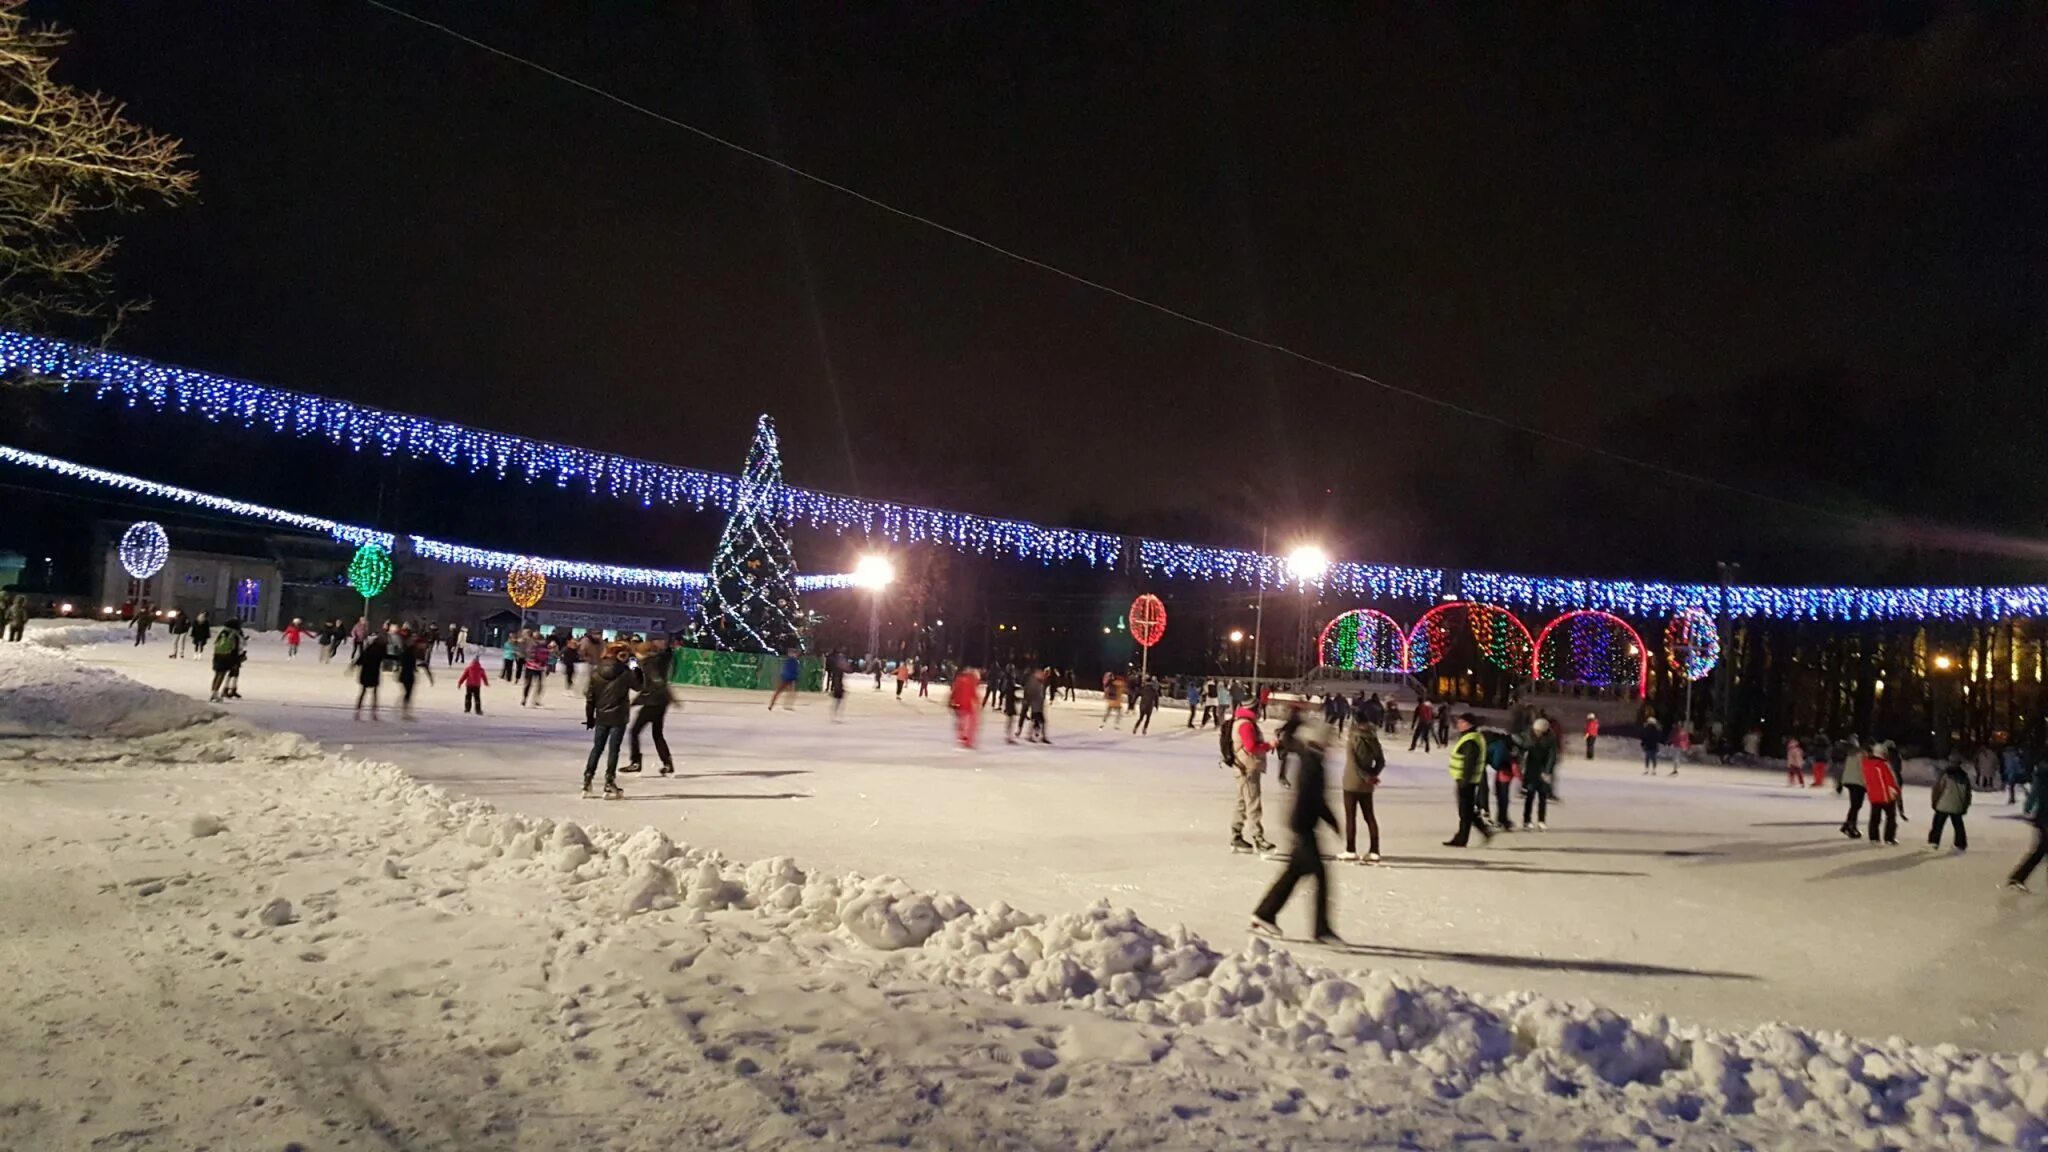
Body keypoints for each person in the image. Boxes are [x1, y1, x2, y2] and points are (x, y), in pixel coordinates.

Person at [1251, 716, 1341, 944]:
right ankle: (1321, 929)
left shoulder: (1311, 757)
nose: (1333, 744)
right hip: (1303, 825)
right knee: (1319, 875)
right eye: (1330, 739)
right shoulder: (1312, 761)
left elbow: (1288, 739)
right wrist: (1329, 820)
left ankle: (1264, 914)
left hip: (1302, 824)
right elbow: (1311, 798)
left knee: (1294, 873)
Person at [583, 646, 641, 799]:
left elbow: (590, 698)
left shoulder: (596, 672)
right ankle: (609, 782)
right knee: (613, 750)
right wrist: (636, 667)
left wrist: (590, 718)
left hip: (602, 716)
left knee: (597, 748)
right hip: (619, 717)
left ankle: (587, 780)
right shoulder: (626, 672)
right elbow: (639, 686)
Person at [1228, 705, 1275, 854]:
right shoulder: (1246, 724)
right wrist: (1269, 745)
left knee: (1242, 802)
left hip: (1242, 767)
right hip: (1247, 768)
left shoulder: (1241, 721)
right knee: (1253, 803)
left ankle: (1236, 836)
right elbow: (1251, 747)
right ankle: (1258, 838)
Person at [1444, 713, 1493, 847]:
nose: (1459, 724)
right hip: (1465, 779)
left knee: (1465, 811)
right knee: (1467, 809)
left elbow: (1469, 762)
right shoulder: (1471, 737)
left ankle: (1462, 838)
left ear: (1469, 724)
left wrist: (1465, 781)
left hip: (1466, 780)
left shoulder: (1470, 740)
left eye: (1462, 722)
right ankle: (1482, 830)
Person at [1340, 718, 1384, 862]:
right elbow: (1381, 761)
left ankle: (1350, 849)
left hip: (1351, 783)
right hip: (1367, 786)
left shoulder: (1352, 739)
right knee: (1369, 816)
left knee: (1351, 817)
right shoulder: (1373, 739)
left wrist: (1366, 777)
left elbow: (1353, 763)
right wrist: (1372, 775)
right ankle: (1374, 850)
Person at [629, 640, 676, 775]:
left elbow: (651, 684)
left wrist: (636, 701)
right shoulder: (659, 661)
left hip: (652, 702)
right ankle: (667, 763)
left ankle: (635, 762)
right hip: (661, 702)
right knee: (657, 734)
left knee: (634, 732)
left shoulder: (648, 664)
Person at [2005, 784, 2048, 892]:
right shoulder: (2044, 776)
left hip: (2043, 818)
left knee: (2042, 850)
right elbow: (2037, 794)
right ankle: (2017, 878)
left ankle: (2017, 878)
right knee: (2041, 850)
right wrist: (2029, 807)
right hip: (2045, 818)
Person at [1929, 756, 1972, 852]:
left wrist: (1934, 801)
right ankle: (1960, 843)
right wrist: (1965, 806)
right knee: (1958, 825)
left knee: (1937, 825)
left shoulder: (1945, 775)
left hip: (1943, 804)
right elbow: (1967, 794)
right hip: (1957, 805)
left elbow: (1938, 789)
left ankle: (1934, 842)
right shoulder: (1964, 777)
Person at [1522, 717, 1559, 829]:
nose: (1538, 733)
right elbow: (1522, 751)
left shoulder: (1550, 739)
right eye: (1536, 731)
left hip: (1543, 770)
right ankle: (1527, 820)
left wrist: (1547, 771)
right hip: (1531, 770)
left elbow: (1552, 756)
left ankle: (1541, 820)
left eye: (1540, 731)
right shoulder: (1527, 736)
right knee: (1530, 795)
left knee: (1543, 796)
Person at [1862, 743, 1900, 845]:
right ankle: (1889, 838)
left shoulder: (1866, 764)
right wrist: (1896, 792)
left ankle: (1874, 838)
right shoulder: (1883, 765)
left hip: (1873, 795)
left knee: (1874, 817)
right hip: (1885, 796)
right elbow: (1890, 781)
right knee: (1891, 817)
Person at [207, 618, 245, 703]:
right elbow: (235, 649)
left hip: (218, 655)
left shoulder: (223, 632)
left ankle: (213, 692)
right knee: (222, 674)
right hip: (227, 656)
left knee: (217, 674)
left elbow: (216, 643)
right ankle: (215, 694)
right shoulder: (234, 635)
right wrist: (237, 660)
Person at [353, 627, 387, 719]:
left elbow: (359, 660)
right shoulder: (380, 650)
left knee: (363, 691)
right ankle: (373, 711)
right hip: (373, 672)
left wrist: (352, 667)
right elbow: (386, 657)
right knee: (374, 692)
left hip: (366, 672)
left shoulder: (368, 649)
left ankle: (358, 710)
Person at [1838, 741, 1868, 839]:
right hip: (1858, 782)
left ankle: (1848, 825)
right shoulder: (1861, 754)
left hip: (1849, 781)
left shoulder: (1850, 754)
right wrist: (1867, 784)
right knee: (1856, 805)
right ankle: (1850, 826)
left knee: (1854, 805)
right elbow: (1863, 769)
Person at [950, 664, 981, 748]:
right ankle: (966, 739)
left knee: (962, 721)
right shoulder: (971, 681)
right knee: (969, 722)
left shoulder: (960, 679)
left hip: (959, 704)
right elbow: (973, 693)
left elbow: (954, 691)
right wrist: (978, 701)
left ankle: (962, 735)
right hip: (966, 705)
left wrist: (951, 700)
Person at [1022, 667, 1049, 743]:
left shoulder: (1039, 682)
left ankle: (1039, 736)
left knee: (1040, 721)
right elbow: (1031, 693)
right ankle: (1031, 736)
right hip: (1035, 706)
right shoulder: (1035, 683)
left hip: (1038, 706)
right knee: (1037, 721)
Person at [521, 633, 549, 706]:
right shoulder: (544, 645)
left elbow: (527, 653)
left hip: (530, 666)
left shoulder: (531, 644)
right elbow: (547, 656)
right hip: (540, 667)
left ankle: (525, 699)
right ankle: (537, 699)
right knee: (540, 684)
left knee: (528, 683)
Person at [827, 649, 848, 722]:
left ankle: (836, 715)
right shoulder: (838, 670)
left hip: (839, 687)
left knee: (839, 702)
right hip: (838, 688)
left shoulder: (839, 670)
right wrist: (837, 688)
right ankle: (834, 715)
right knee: (837, 702)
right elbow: (836, 680)